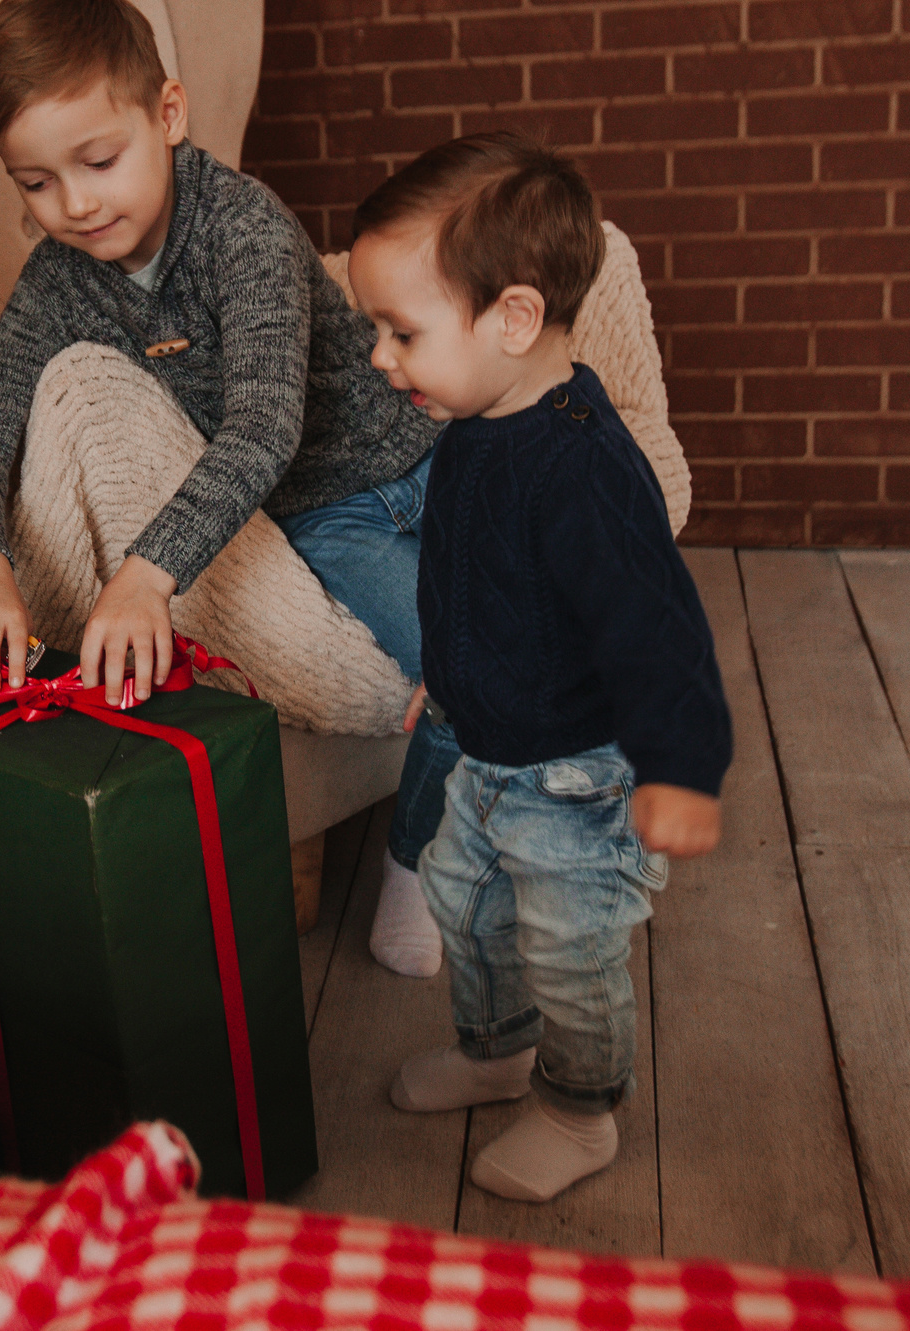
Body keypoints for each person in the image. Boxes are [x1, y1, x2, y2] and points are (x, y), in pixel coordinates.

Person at [0, 0, 457, 974]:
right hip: (331, 514)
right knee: (470, 670)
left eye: (98, 161)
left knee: (553, 612)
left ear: (166, 114)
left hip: (433, 454)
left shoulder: (241, 227)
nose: (76, 204)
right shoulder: (58, 285)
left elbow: (263, 423)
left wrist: (144, 575)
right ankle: (417, 859)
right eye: (34, 183)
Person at [346, 133, 730, 1203]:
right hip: (482, 745)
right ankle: (497, 1051)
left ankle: (578, 1106)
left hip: (579, 776)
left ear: (512, 319)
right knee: (467, 908)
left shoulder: (585, 471)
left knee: (571, 950)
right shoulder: (471, 427)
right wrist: (450, 675)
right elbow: (465, 577)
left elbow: (655, 632)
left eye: (402, 331)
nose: (383, 356)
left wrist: (680, 765)